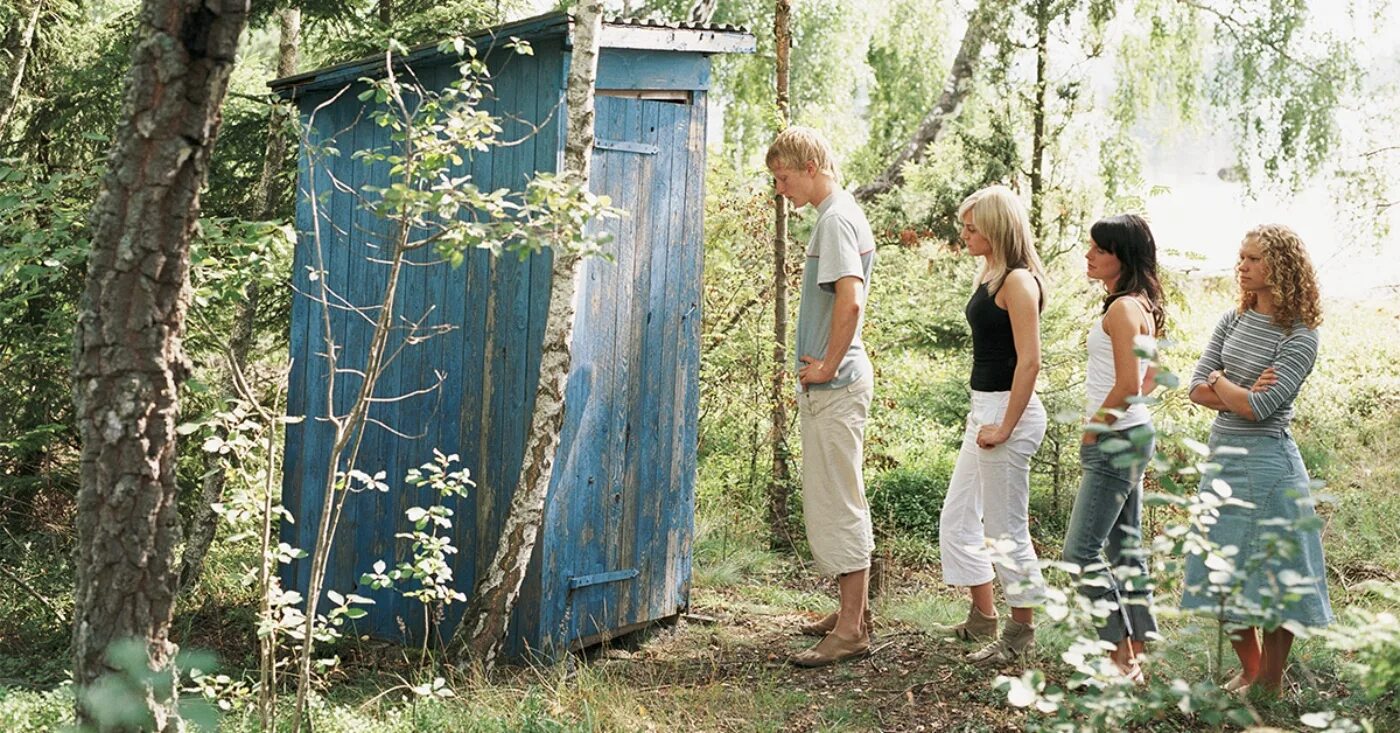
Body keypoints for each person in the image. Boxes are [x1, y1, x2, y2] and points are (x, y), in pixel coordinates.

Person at [1180, 223, 1333, 696]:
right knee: (1222, 570)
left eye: (1252, 259)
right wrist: (1235, 390)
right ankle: (1250, 670)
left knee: (1275, 579)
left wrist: (1224, 384)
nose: (1241, 266)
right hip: (1223, 461)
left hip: (1270, 468)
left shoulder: (1301, 337)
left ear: (1280, 267)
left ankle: (1270, 680)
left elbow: (1257, 408)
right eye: (1241, 257)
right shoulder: (1232, 320)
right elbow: (1194, 389)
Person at [765, 126, 877, 668]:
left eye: (783, 178)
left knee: (839, 500)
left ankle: (852, 629)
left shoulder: (834, 218)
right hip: (835, 383)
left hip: (836, 384)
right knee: (838, 494)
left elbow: (849, 302)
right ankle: (850, 611)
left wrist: (828, 365)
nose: (781, 190)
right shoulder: (840, 213)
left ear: (809, 166)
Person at [937, 185, 1049, 665]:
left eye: (971, 227)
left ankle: (1020, 636)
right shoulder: (992, 273)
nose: (964, 235)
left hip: (1010, 413)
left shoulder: (1019, 282)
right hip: (983, 409)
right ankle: (982, 617)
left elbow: (1030, 363)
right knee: (958, 518)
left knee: (1006, 531)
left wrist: (1005, 426)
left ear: (996, 228)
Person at [1061, 214, 1164, 681]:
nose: (1089, 256)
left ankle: (1119, 658)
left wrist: (1094, 429)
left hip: (1116, 438)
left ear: (1121, 256)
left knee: (1080, 553)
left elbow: (1128, 383)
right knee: (1125, 549)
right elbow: (1151, 379)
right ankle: (1138, 650)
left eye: (1099, 250)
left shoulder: (1122, 310)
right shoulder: (1140, 305)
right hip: (1134, 432)